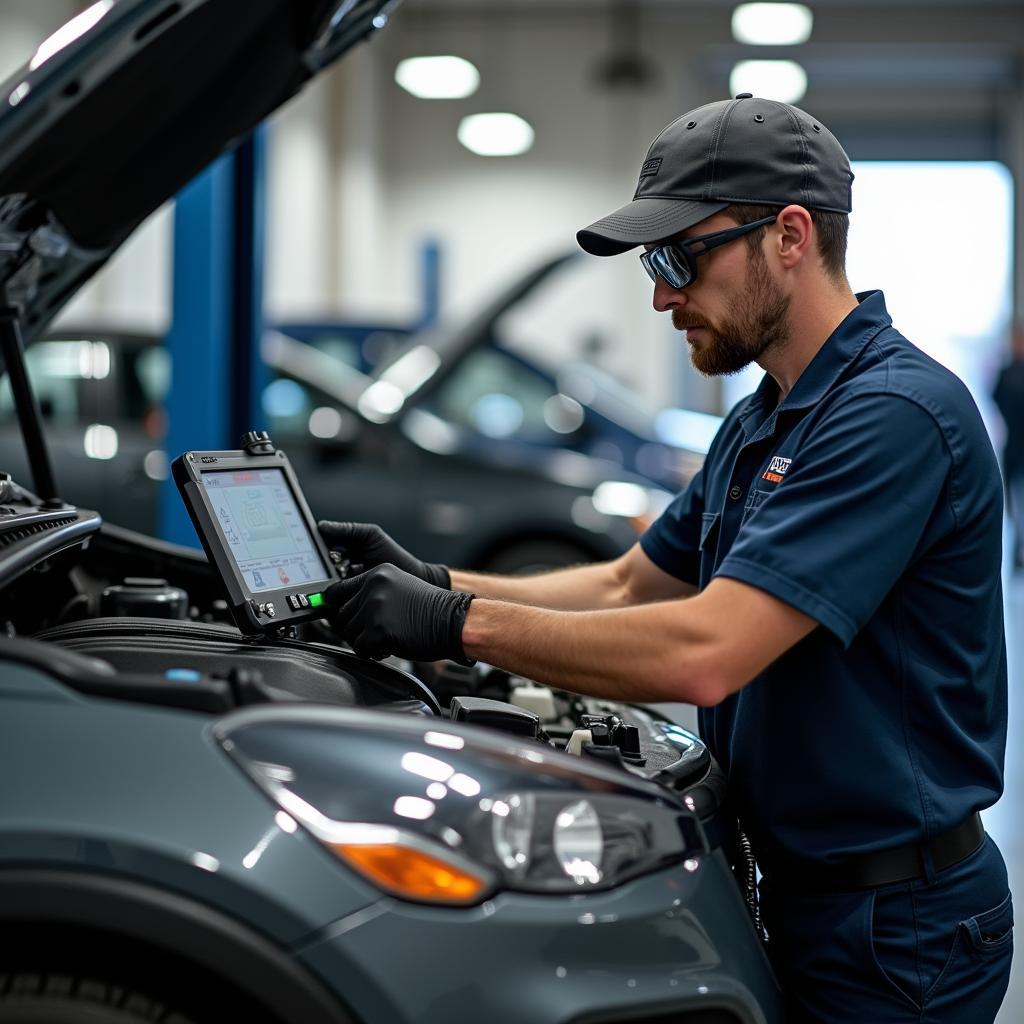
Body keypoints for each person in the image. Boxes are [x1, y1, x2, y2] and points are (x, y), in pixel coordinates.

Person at [318, 95, 1012, 1022]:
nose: (660, 293)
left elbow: (706, 653)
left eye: (680, 255)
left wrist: (455, 625)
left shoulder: (892, 416)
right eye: (656, 261)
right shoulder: (765, 416)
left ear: (791, 235)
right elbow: (627, 583)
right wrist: (436, 579)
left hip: (896, 929)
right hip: (803, 890)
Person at [993, 322, 1024, 569]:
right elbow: (996, 399)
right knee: (1012, 499)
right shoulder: (1006, 372)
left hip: (1015, 442)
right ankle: (1016, 549)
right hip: (1013, 444)